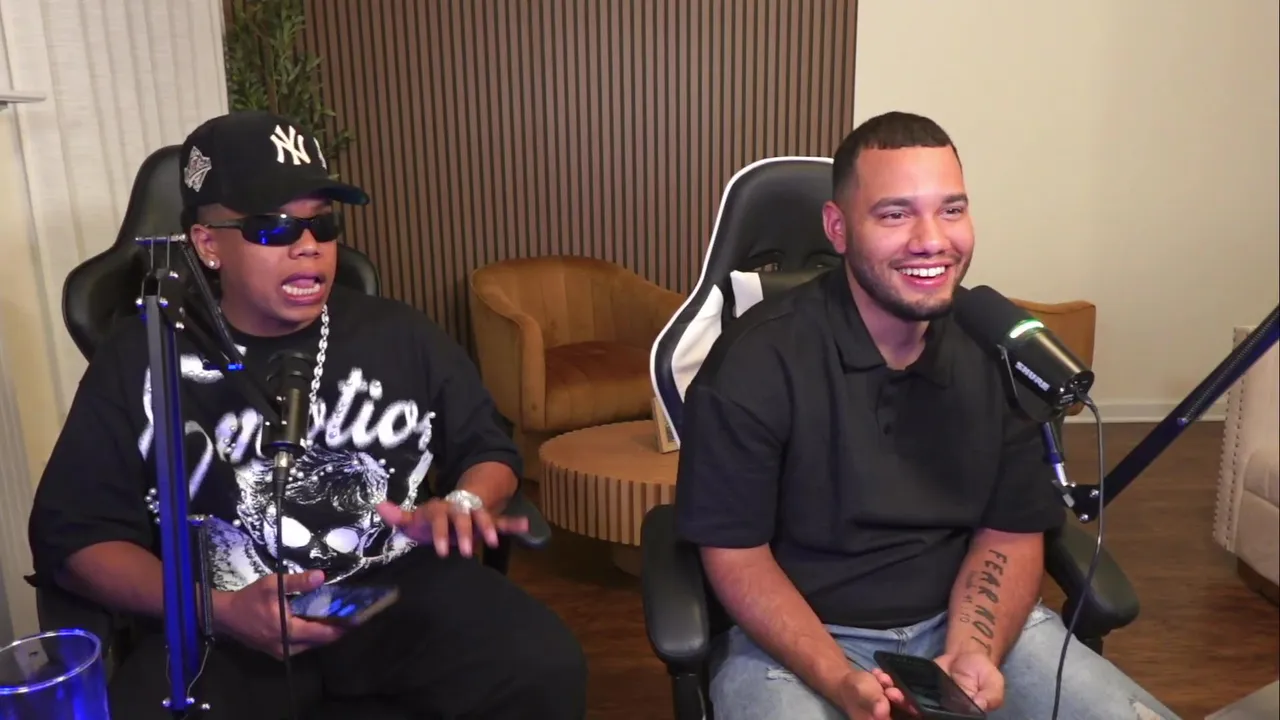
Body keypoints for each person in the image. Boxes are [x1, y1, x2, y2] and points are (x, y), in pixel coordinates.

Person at [28, 110, 587, 720]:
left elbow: (489, 450)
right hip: (223, 617)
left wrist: (463, 504)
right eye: (273, 227)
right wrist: (215, 609)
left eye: (322, 223)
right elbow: (76, 538)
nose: (309, 246)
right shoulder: (142, 357)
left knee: (542, 667)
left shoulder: (402, 334)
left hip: (390, 592)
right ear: (209, 244)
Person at [674, 111, 1178, 720]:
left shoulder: (1000, 351)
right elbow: (736, 554)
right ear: (838, 228)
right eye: (896, 214)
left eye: (952, 209)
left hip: (965, 624)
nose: (932, 239)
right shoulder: (754, 362)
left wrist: (974, 652)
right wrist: (839, 679)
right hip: (799, 641)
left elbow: (1012, 530)